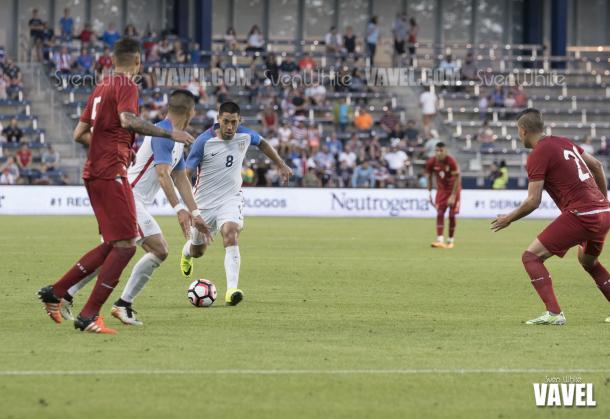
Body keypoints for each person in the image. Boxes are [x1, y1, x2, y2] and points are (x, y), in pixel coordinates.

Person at [36, 38, 195, 334]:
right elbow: (127, 119)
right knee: (125, 246)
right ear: (137, 61)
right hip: (111, 173)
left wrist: (119, 148)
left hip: (98, 170)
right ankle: (88, 315)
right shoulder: (126, 85)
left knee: (115, 243)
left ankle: (57, 292)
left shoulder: (101, 87)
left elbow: (80, 133)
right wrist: (168, 134)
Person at [57, 90, 211, 326]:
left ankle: (65, 295)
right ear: (191, 111)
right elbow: (162, 174)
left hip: (130, 198)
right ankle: (121, 305)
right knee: (158, 249)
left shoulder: (176, 138)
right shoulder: (163, 134)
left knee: (110, 252)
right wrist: (179, 209)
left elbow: (180, 178)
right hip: (128, 198)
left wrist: (196, 213)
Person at [492, 109, 610, 325]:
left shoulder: (538, 153)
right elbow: (597, 165)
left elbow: (532, 201)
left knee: (531, 257)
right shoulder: (564, 142)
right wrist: (603, 201)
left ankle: (554, 313)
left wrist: (508, 218)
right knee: (588, 261)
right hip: (603, 212)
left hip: (582, 214)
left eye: (518, 132)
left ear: (523, 130)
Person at [180, 102, 293, 306]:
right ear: (218, 120)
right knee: (199, 250)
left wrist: (281, 164)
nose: (230, 127)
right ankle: (186, 252)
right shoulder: (204, 141)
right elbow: (186, 174)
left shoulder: (245, 134)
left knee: (230, 233)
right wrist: (191, 209)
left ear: (239, 120)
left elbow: (263, 143)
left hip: (231, 198)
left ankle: (232, 290)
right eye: (226, 122)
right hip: (204, 203)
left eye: (234, 122)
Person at [426, 142, 461, 249]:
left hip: (454, 190)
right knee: (440, 213)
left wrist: (453, 195)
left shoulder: (451, 161)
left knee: (451, 215)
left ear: (445, 151)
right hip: (441, 191)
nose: (438, 153)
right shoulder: (432, 162)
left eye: (441, 151)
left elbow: (457, 178)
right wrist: (430, 192)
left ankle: (450, 241)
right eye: (436, 151)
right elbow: (429, 176)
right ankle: (439, 240)